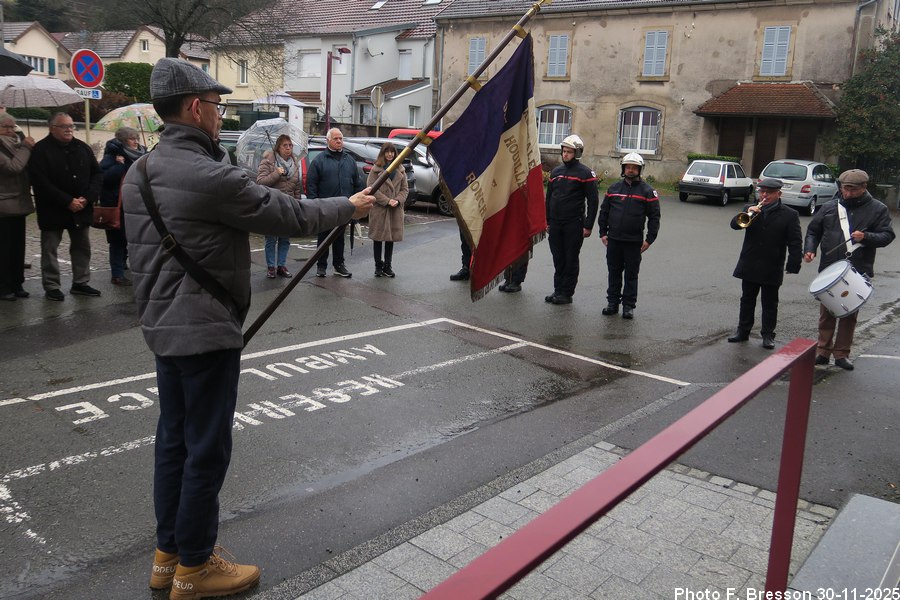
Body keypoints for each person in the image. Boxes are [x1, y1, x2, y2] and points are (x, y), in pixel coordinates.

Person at [120, 58, 373, 599]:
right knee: (206, 449)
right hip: (205, 327)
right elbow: (289, 214)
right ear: (195, 108)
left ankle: (167, 558)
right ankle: (195, 566)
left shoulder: (137, 171)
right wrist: (348, 207)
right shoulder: (207, 175)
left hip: (164, 326)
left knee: (174, 443)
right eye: (216, 105)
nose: (219, 114)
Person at [803, 169, 894, 370]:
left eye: (853, 190)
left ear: (864, 187)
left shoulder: (877, 209)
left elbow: (887, 236)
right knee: (826, 312)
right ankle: (823, 351)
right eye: (845, 189)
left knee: (849, 313)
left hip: (857, 269)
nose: (848, 193)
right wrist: (809, 249)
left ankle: (842, 354)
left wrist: (867, 237)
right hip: (829, 268)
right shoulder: (828, 207)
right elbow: (813, 231)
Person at [28, 112, 103, 301]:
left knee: (82, 247)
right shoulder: (40, 150)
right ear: (52, 128)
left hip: (81, 208)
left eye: (71, 126)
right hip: (53, 209)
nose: (69, 129)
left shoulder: (82, 147)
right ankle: (52, 286)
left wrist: (87, 198)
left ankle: (81, 282)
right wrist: (67, 201)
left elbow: (97, 174)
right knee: (50, 248)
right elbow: (40, 182)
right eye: (64, 126)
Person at [726, 178, 802, 349]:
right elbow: (734, 226)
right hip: (750, 262)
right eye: (762, 192)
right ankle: (742, 331)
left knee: (770, 303)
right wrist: (748, 213)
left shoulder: (790, 215)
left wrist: (793, 264)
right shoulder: (750, 210)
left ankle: (768, 335)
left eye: (769, 192)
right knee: (747, 299)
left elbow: (795, 241)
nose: (764, 195)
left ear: (778, 194)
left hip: (772, 264)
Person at [597, 152, 661, 319]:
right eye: (628, 167)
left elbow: (654, 217)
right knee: (614, 272)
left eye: (634, 168)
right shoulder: (613, 189)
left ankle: (628, 306)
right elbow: (604, 212)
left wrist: (649, 240)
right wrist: (603, 233)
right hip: (614, 240)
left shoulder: (648, 191)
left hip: (634, 242)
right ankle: (612, 303)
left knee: (631, 275)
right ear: (623, 169)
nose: (631, 170)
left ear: (639, 170)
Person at [544, 134, 599, 305]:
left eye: (569, 152)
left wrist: (588, 225)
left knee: (570, 258)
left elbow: (593, 201)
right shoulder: (556, 172)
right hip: (555, 223)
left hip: (574, 223)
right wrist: (547, 221)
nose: (565, 154)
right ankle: (557, 290)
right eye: (564, 151)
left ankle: (566, 293)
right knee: (558, 258)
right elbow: (549, 197)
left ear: (577, 153)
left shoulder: (586, 173)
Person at [307, 127, 361, 278]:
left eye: (341, 138)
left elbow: (357, 183)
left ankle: (339, 264)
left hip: (344, 207)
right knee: (323, 238)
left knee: (339, 238)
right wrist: (314, 205)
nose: (339, 141)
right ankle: (321, 266)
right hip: (325, 207)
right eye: (335, 138)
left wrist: (355, 203)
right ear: (328, 140)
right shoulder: (319, 160)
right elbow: (312, 185)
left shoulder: (349, 160)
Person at [99, 127, 147, 286]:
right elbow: (104, 178)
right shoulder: (112, 155)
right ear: (123, 141)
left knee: (132, 238)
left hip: (136, 203)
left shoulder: (141, 154)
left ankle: (125, 265)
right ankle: (117, 274)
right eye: (132, 139)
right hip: (117, 204)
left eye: (136, 138)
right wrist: (120, 165)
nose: (136, 142)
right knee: (118, 241)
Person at [0, 113, 35, 301]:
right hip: (3, 205)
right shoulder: (17, 147)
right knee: (4, 249)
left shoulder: (17, 144)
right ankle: (3, 286)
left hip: (20, 203)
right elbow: (13, 167)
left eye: (13, 126)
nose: (10, 130)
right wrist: (27, 147)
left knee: (17, 247)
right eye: (5, 126)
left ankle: (17, 282)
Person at [256, 134, 301, 279]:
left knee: (285, 239)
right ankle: (271, 267)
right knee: (271, 238)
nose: (288, 148)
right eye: (285, 145)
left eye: (290, 145)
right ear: (278, 147)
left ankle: (281, 265)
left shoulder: (295, 163)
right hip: (272, 206)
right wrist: (276, 173)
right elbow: (260, 182)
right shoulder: (268, 162)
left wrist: (297, 204)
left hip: (289, 206)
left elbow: (297, 188)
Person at [366, 141, 407, 277]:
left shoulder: (400, 169)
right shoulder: (376, 169)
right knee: (378, 239)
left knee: (391, 238)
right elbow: (372, 189)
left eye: (392, 152)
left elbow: (405, 189)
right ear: (382, 154)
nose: (390, 154)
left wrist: (398, 200)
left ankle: (388, 266)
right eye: (387, 152)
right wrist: (387, 201)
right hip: (380, 209)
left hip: (395, 209)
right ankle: (378, 266)